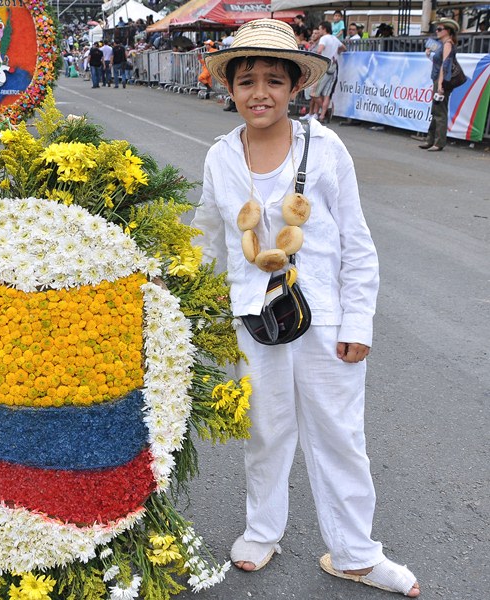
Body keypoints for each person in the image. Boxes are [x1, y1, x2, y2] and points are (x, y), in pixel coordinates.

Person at [195, 19, 421, 598]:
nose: (260, 93)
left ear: (296, 86)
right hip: (253, 317)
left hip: (325, 316)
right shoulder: (220, 157)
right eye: (247, 81)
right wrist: (188, 305)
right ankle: (262, 531)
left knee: (339, 434)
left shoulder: (325, 147)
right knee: (266, 430)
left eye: (274, 80)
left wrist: (359, 322)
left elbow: (356, 240)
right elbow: (207, 238)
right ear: (229, 87)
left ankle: (355, 553)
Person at [419, 18, 460, 152]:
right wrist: (429, 55)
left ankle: (438, 142)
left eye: (439, 29)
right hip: (438, 79)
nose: (437, 31)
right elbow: (439, 62)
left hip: (442, 80)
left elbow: (445, 65)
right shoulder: (442, 44)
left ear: (447, 31)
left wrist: (441, 84)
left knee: (440, 111)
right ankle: (431, 140)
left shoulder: (447, 44)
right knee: (436, 110)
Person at [308, 21, 345, 121]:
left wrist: (317, 58)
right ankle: (322, 115)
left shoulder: (324, 38)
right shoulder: (335, 39)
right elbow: (344, 48)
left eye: (320, 29)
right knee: (326, 94)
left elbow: (319, 50)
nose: (319, 31)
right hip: (333, 68)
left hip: (324, 67)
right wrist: (337, 52)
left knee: (314, 93)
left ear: (324, 29)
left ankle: (326, 111)